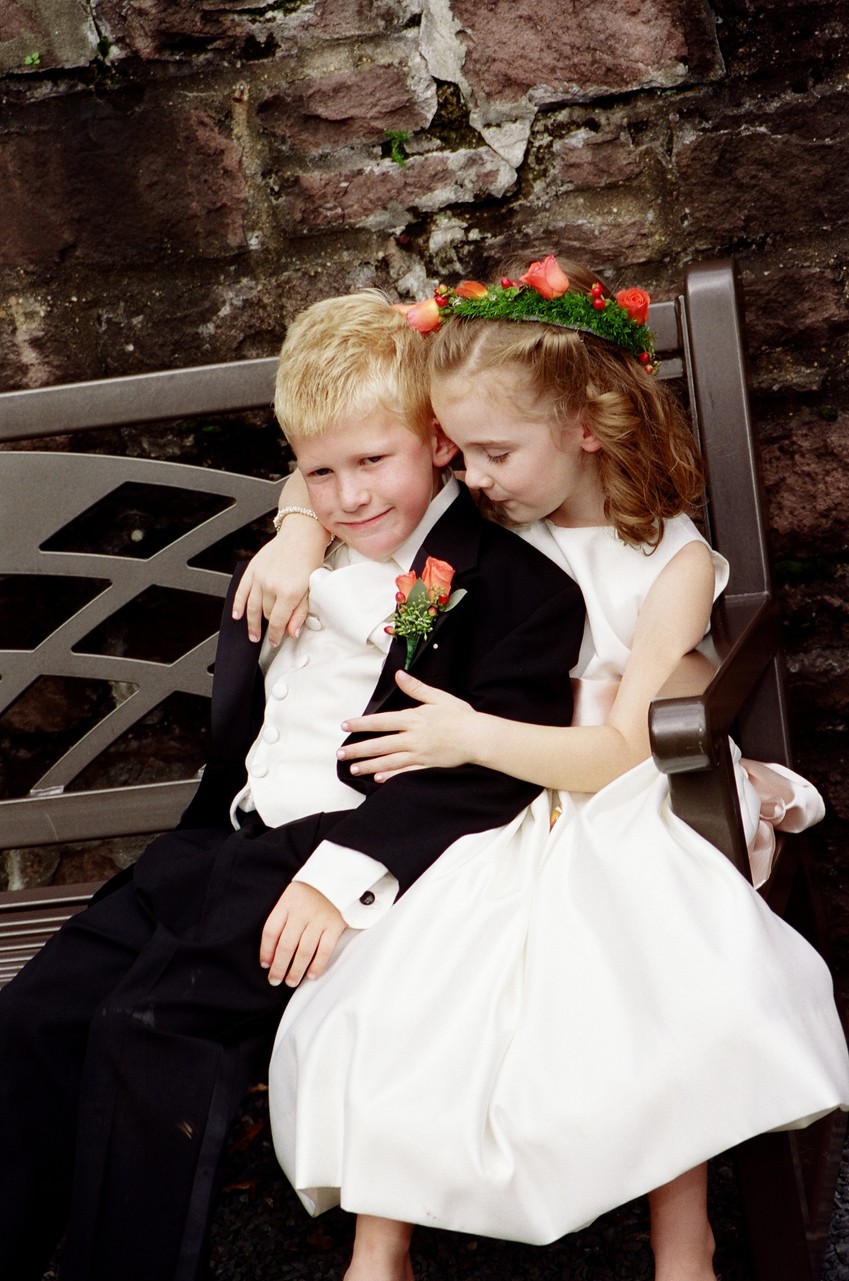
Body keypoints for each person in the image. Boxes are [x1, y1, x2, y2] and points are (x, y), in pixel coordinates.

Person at [244, 258, 849, 1281]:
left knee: (647, 950)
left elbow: (623, 749)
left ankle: (681, 1244)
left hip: (627, 788)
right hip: (501, 801)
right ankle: (379, 1246)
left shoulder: (673, 563)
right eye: (460, 452)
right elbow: (345, 478)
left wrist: (469, 736)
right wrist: (299, 527)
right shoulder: (486, 526)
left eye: (490, 452)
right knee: (411, 964)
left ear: (588, 424)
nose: (469, 475)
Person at [0, 291, 586, 1281]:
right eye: (323, 473)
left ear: (438, 444)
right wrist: (294, 528)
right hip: (215, 839)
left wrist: (345, 872)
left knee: (151, 1030)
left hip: (322, 849)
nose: (350, 495)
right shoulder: (293, 557)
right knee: (33, 1017)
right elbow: (311, 507)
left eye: (373, 463)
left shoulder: (513, 587)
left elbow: (492, 765)